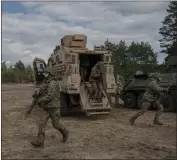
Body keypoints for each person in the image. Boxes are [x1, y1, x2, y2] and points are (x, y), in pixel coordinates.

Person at [30, 67, 68, 147]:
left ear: (50, 74)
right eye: (44, 73)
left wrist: (40, 100)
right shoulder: (45, 82)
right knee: (41, 123)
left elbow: (50, 96)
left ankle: (65, 132)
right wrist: (37, 96)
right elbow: (43, 93)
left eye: (45, 73)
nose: (44, 74)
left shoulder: (53, 83)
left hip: (54, 108)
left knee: (56, 125)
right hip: (46, 107)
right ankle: (40, 142)